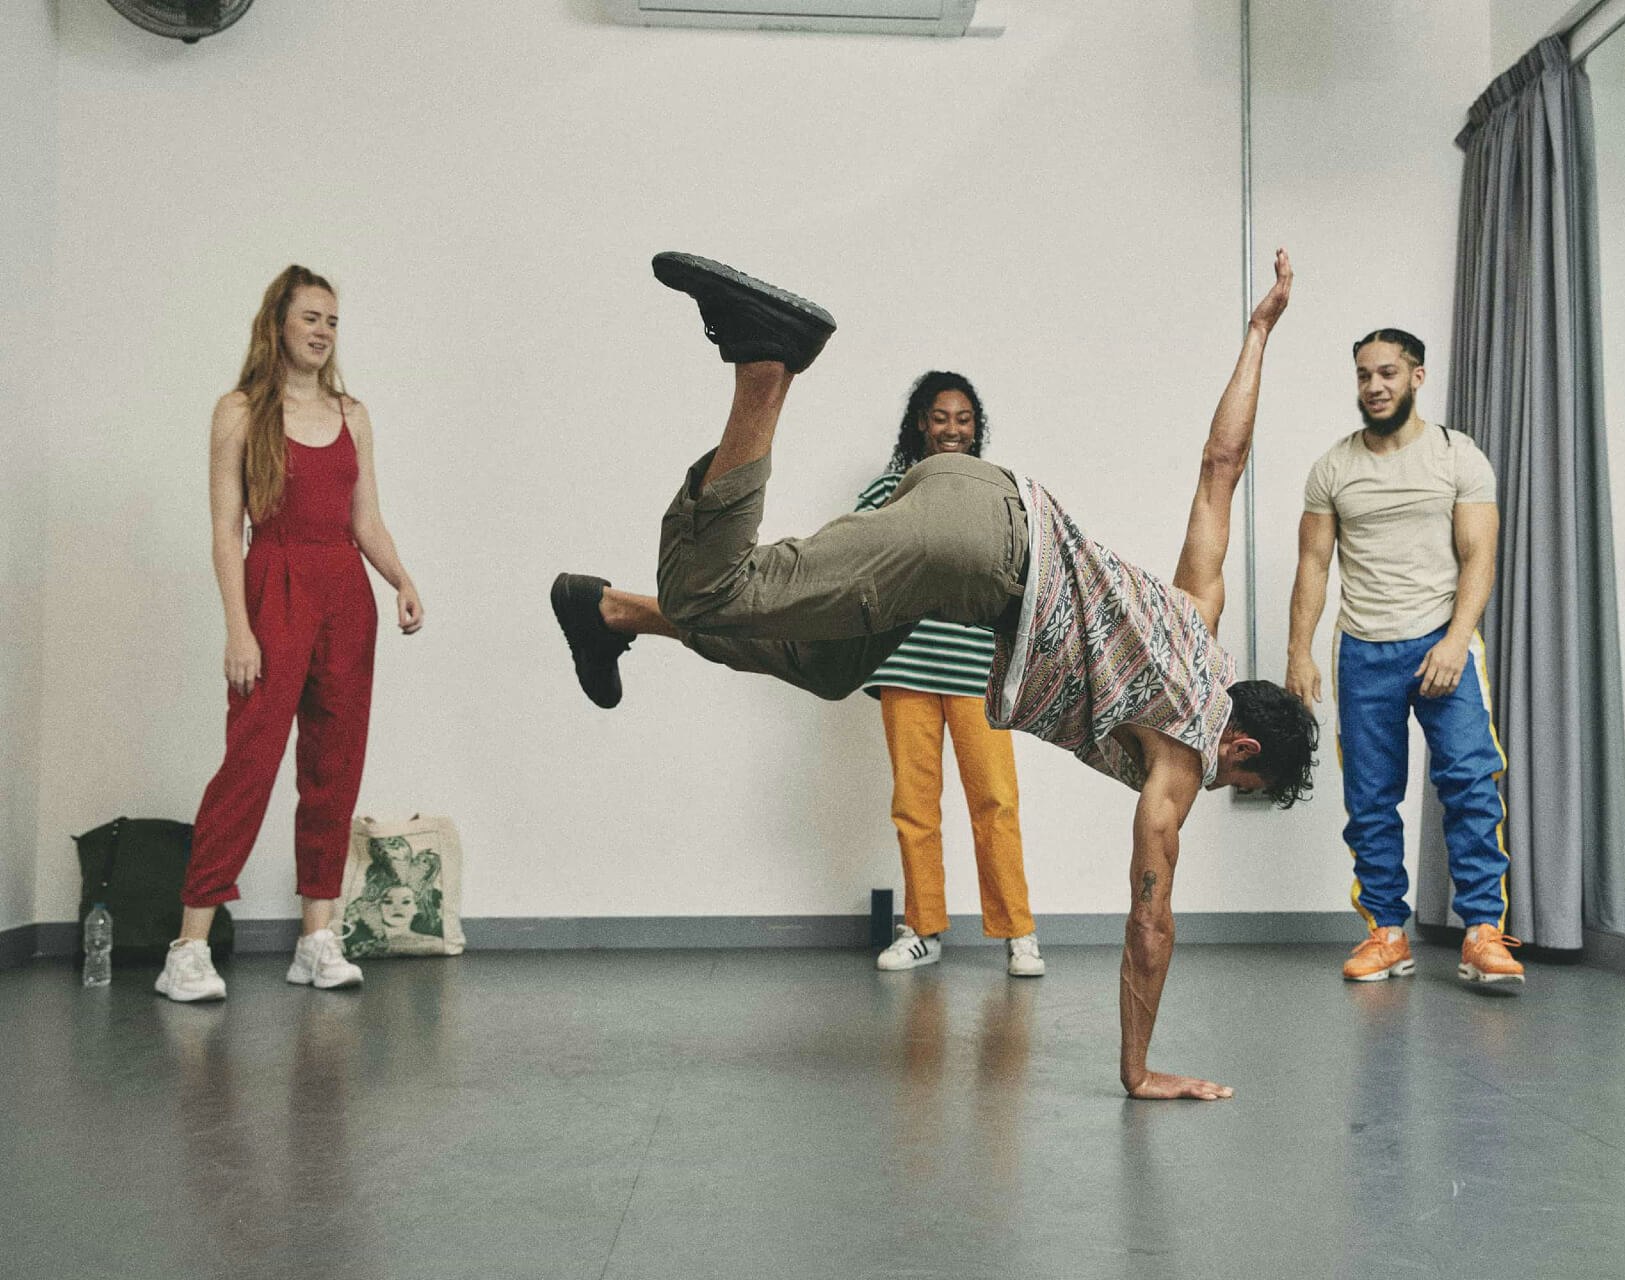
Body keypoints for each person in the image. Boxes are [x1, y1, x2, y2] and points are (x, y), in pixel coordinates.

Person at [549, 249, 1316, 1100]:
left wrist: (1258, 333)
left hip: (975, 505)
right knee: (714, 589)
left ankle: (612, 613)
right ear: (1239, 742)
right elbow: (1149, 927)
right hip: (975, 555)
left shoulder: (1199, 619)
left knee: (822, 665)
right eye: (1238, 778)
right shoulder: (1179, 759)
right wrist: (1138, 1073)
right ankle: (764, 366)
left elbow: (1221, 467)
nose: (1216, 788)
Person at [156, 265, 425, 1003]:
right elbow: (224, 531)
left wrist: (400, 578)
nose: (322, 331)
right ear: (278, 322)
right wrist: (238, 629)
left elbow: (364, 518)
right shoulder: (239, 411)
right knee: (248, 764)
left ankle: (316, 936)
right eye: (311, 317)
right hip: (272, 585)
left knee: (334, 766)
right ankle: (188, 949)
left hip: (345, 592)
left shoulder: (353, 412)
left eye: (333, 321)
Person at [1284, 328, 1521, 985]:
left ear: (1417, 377)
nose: (1374, 386)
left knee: (1472, 784)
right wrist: (1298, 652)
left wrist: (1453, 639)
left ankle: (1482, 934)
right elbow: (1312, 565)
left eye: (1387, 373)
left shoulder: (1457, 456)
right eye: (1363, 375)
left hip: (1442, 642)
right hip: (1363, 649)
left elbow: (1481, 558)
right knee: (1370, 799)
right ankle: (1387, 933)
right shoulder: (1332, 467)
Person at [856, 372, 1042, 977]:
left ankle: (1018, 933)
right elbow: (857, 563)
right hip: (905, 669)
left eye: (963, 419)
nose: (952, 429)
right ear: (920, 422)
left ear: (975, 426)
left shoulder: (997, 493)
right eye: (941, 417)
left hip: (977, 671)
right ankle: (924, 928)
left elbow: (1026, 570)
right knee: (915, 805)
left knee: (996, 801)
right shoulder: (888, 489)